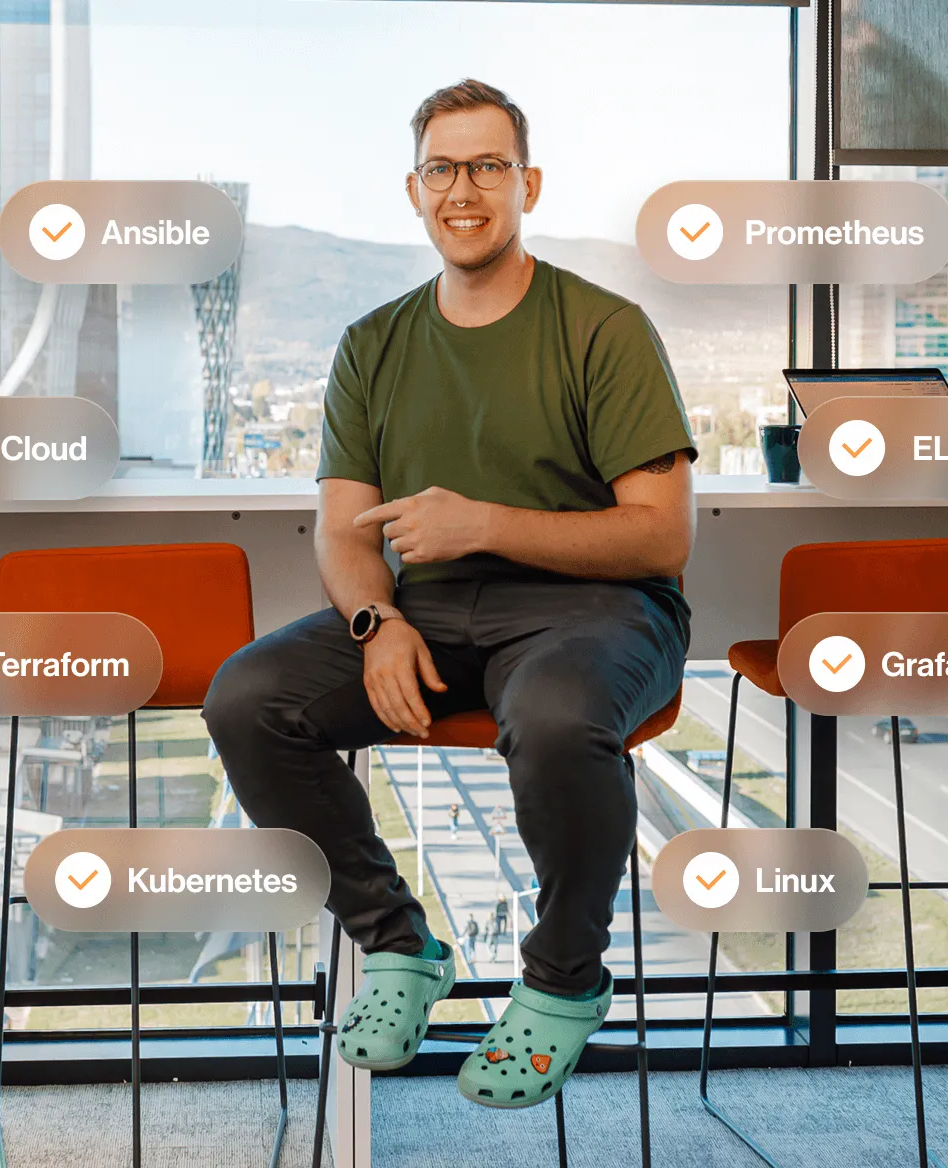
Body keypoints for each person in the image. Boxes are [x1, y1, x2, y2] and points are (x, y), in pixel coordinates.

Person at [202, 78, 694, 1108]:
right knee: (247, 695)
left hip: (592, 610)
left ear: (528, 184)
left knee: (557, 717)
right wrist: (374, 624)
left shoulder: (602, 328)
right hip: (423, 613)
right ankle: (398, 944)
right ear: (413, 189)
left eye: (486, 166)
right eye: (441, 168)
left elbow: (660, 534)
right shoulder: (370, 344)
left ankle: (562, 981)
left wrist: (485, 523)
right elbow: (342, 533)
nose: (461, 189)